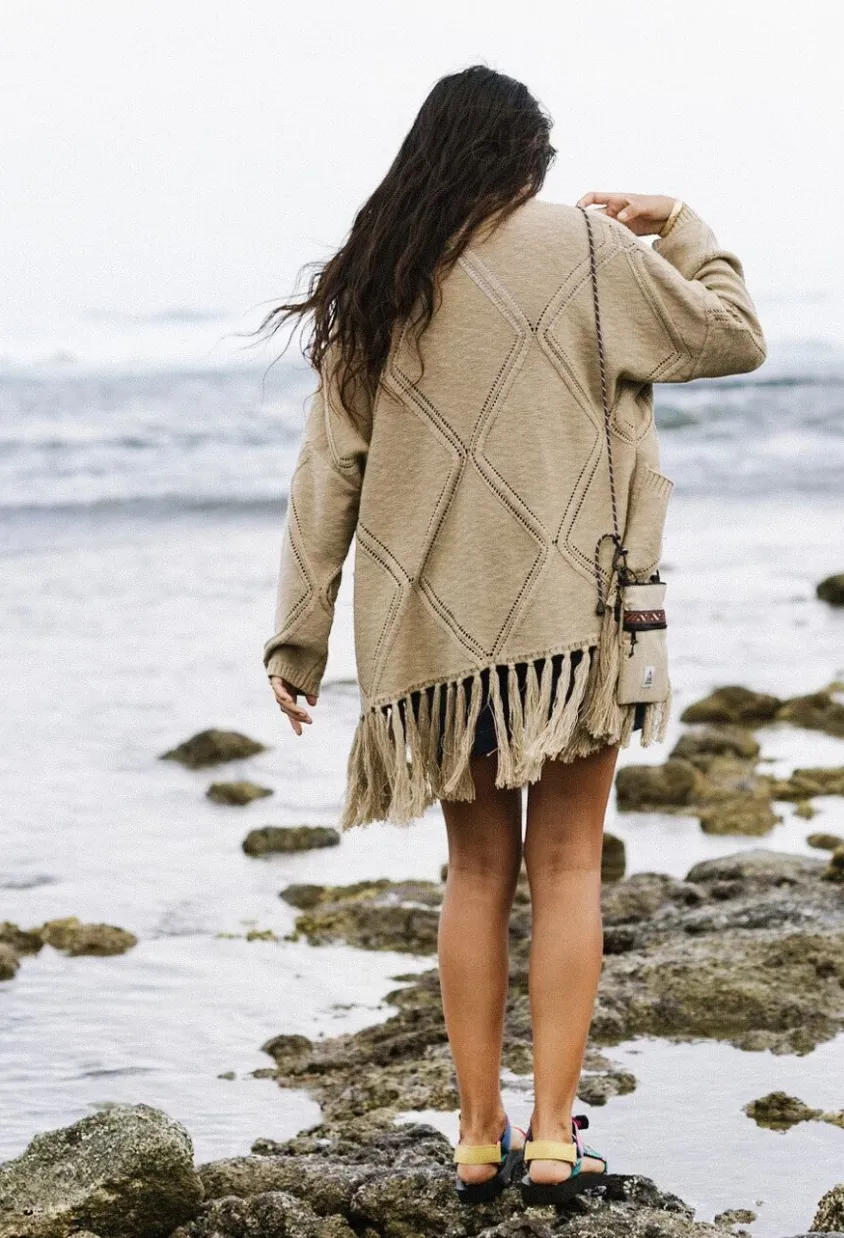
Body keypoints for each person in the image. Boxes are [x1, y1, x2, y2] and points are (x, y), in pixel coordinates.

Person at [259, 65, 765, 1206]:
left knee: (476, 871)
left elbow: (326, 474)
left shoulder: (380, 273)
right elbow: (735, 335)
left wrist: (298, 641)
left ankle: (478, 1135)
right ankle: (551, 1139)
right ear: (527, 162)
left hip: (434, 644)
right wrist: (680, 220)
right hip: (577, 623)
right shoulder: (589, 249)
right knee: (570, 866)